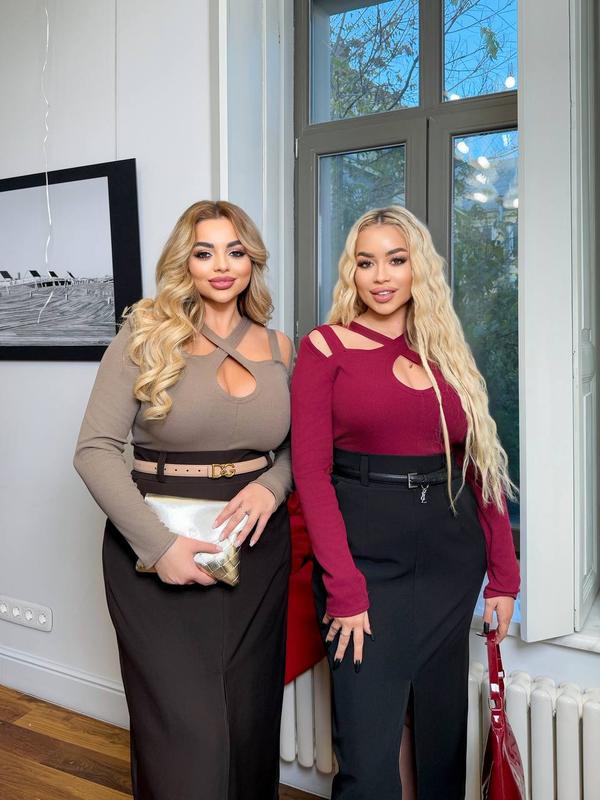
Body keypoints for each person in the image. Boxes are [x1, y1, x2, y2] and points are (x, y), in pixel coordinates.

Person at [290, 205, 520, 800]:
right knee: (368, 758)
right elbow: (311, 474)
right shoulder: (324, 348)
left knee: (442, 739)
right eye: (366, 262)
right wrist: (344, 587)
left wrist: (504, 576)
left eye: (396, 260)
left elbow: (481, 465)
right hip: (364, 564)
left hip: (449, 560)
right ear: (351, 271)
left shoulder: (445, 350)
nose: (382, 276)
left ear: (419, 267)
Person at [74, 200, 293, 800]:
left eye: (235, 251)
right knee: (185, 736)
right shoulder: (144, 336)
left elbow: (299, 449)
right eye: (204, 252)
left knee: (248, 724)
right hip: (156, 545)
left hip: (257, 551)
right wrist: (159, 546)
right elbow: (94, 450)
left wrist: (271, 485)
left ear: (252, 261)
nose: (221, 265)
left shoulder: (282, 348)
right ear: (184, 263)